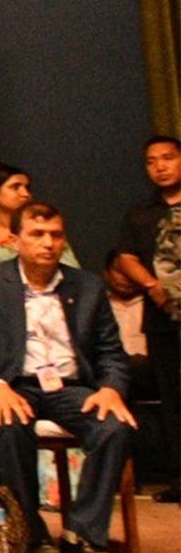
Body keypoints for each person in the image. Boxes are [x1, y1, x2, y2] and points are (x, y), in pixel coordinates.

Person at [0, 201, 135, 553]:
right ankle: (32, 534)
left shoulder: (87, 286)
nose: (48, 243)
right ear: (15, 240)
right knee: (8, 424)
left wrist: (110, 388)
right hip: (13, 384)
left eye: (55, 235)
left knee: (114, 426)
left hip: (70, 387)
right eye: (37, 234)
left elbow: (111, 352)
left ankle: (82, 534)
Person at [108, 135, 181, 498]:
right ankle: (179, 479)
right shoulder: (140, 213)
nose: (160, 167)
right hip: (163, 318)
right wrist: (152, 285)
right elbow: (126, 257)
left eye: (167, 158)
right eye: (151, 162)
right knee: (173, 399)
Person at [0, 162, 80, 268]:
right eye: (15, 187)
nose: (25, 194)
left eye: (27, 188)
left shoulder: (46, 230)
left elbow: (71, 269)